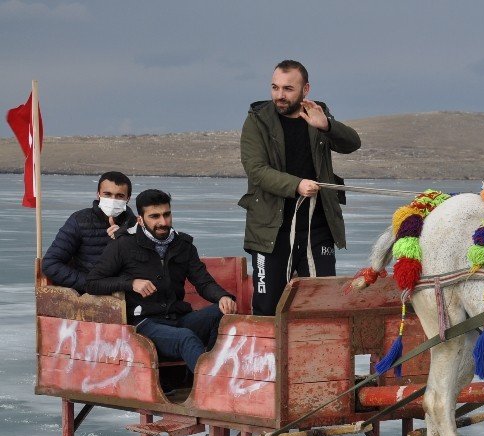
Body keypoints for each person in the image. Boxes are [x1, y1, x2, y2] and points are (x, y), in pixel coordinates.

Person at [239, 58, 361, 315]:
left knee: (324, 304)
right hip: (271, 229)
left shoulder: (317, 112)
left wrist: (326, 126)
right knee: (268, 307)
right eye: (275, 88)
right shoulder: (257, 120)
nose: (279, 96)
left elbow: (352, 143)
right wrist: (296, 185)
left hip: (318, 226)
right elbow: (256, 170)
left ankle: (320, 355)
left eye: (288, 89)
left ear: (306, 89)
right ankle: (269, 355)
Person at [86, 189, 237, 372]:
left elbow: (203, 282)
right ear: (140, 220)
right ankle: (213, 388)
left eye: (166, 214)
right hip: (143, 324)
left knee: (221, 314)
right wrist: (130, 283)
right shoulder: (123, 245)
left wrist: (222, 297)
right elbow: (92, 282)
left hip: (178, 317)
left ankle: (209, 373)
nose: (163, 222)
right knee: (185, 337)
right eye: (154, 216)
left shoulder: (183, 246)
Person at [42, 171, 137, 292]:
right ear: (98, 195)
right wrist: (91, 284)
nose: (113, 200)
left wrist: (126, 239)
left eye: (119, 196)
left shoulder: (137, 225)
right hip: (89, 298)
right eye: (107, 194)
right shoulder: (79, 221)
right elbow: (51, 264)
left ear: (128, 198)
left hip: (130, 296)